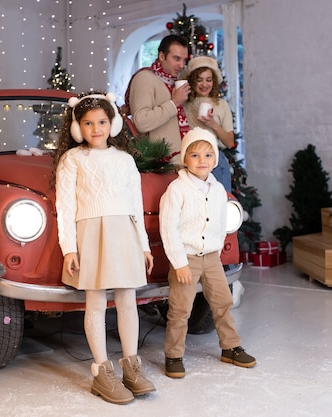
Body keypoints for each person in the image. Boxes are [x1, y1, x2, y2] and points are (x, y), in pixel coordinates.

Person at [53, 91, 156, 404]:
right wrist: (69, 248)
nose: (95, 128)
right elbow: (66, 207)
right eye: (87, 123)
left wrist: (144, 245)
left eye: (101, 121)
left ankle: (131, 365)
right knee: (96, 302)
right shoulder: (72, 160)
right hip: (91, 234)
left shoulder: (125, 160)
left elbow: (135, 206)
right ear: (77, 128)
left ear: (112, 123)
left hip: (124, 233)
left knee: (127, 299)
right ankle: (101, 371)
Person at [158, 127, 256, 379]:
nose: (202, 161)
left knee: (223, 302)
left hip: (211, 258)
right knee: (181, 309)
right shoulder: (177, 190)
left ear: (215, 159)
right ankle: (174, 354)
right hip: (186, 260)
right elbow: (168, 229)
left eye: (208, 155)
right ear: (184, 159)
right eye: (195, 155)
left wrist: (216, 249)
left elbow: (221, 222)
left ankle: (230, 347)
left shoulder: (217, 190)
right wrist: (179, 263)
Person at [125, 34, 191, 164]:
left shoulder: (174, 81)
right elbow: (141, 122)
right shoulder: (144, 78)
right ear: (161, 56)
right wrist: (174, 103)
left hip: (181, 160)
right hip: (161, 163)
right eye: (176, 58)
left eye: (184, 60)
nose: (181, 65)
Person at [183, 55, 235, 192]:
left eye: (208, 80)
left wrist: (213, 124)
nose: (204, 84)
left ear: (214, 81)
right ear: (192, 81)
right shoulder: (184, 104)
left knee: (220, 205)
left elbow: (230, 142)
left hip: (215, 160)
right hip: (190, 161)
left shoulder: (222, 105)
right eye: (199, 80)